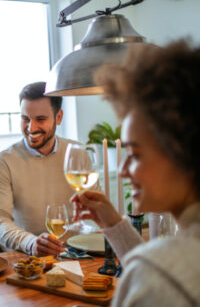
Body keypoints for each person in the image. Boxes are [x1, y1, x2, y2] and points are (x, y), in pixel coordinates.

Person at [72, 40, 200, 306]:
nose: (123, 169)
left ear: (184, 153)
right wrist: (113, 223)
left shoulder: (159, 273)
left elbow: (157, 273)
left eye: (136, 154)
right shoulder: (164, 265)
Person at [0, 82, 80, 256]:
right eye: (26, 119)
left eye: (40, 119)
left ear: (58, 117)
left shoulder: (78, 154)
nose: (31, 128)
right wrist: (31, 243)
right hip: (22, 259)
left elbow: (94, 209)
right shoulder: (2, 162)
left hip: (76, 255)